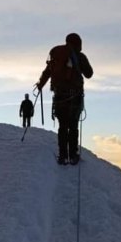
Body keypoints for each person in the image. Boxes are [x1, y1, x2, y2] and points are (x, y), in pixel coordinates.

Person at [36, 32, 93, 165]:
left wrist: (40, 85)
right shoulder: (79, 56)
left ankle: (63, 156)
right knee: (73, 126)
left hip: (59, 96)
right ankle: (73, 155)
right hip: (75, 96)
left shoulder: (56, 56)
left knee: (62, 126)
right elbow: (89, 74)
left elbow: (47, 72)